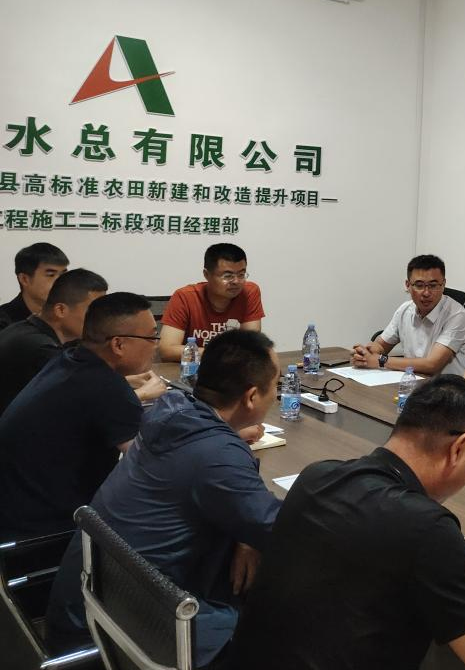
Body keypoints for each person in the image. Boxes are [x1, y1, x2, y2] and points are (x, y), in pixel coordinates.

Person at [229, 374, 465, 670]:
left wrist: (458, 557)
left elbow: (358, 558)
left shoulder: (318, 475)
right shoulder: (428, 527)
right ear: (459, 448)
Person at [45, 328, 283, 667]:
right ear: (251, 397)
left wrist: (245, 532)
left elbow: (239, 504)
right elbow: (281, 531)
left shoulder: (171, 409)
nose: (277, 394)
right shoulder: (216, 455)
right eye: (275, 386)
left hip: (90, 605)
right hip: (130, 633)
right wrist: (250, 530)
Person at [0, 292, 165, 540]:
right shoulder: (107, 388)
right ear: (118, 345)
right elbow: (151, 472)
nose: (156, 345)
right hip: (44, 533)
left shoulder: (70, 359)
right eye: (152, 337)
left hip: (14, 509)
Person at [0, 268, 108, 415]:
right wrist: (138, 392)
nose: (100, 320)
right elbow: (84, 400)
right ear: (60, 310)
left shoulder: (23, 328)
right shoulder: (41, 348)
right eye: (93, 312)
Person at [350, 254, 465, 376]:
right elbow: (381, 345)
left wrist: (380, 360)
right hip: (414, 380)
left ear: (443, 284)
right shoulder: (405, 310)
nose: (426, 293)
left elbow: (432, 365)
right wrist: (368, 352)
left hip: (450, 385)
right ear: (408, 285)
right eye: (419, 285)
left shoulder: (456, 315)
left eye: (433, 285)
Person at [159, 243, 264, 362]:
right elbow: (167, 350)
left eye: (241, 275)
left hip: (232, 369)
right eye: (228, 276)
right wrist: (219, 354)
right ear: (207, 275)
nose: (236, 281)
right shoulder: (185, 297)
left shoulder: (249, 292)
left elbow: (252, 344)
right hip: (192, 369)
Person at [0, 242, 69, 332]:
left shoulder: (70, 317)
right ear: (24, 279)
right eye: (51, 275)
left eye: (63, 275)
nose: (61, 282)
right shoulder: (4, 323)